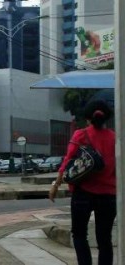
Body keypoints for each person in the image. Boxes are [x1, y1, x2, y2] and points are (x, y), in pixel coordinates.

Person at [49, 100, 116, 265]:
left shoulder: (81, 134)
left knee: (79, 235)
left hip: (82, 193)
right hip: (109, 195)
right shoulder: (115, 138)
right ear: (106, 118)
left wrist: (56, 185)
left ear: (88, 118)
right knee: (104, 239)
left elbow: (67, 161)